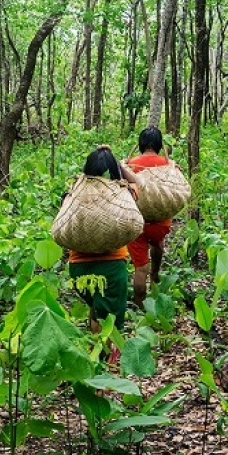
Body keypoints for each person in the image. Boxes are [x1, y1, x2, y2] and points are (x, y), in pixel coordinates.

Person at [67, 145, 140, 341]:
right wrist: (117, 163)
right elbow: (136, 182)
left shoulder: (73, 193)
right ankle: (104, 361)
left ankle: (95, 355)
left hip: (78, 268)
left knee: (96, 308)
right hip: (111, 267)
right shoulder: (123, 194)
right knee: (108, 319)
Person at [125, 127, 176, 306]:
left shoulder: (130, 164)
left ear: (140, 144)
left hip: (136, 223)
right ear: (159, 145)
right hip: (160, 222)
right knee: (158, 243)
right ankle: (155, 276)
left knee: (140, 268)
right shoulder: (167, 164)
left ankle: (140, 305)